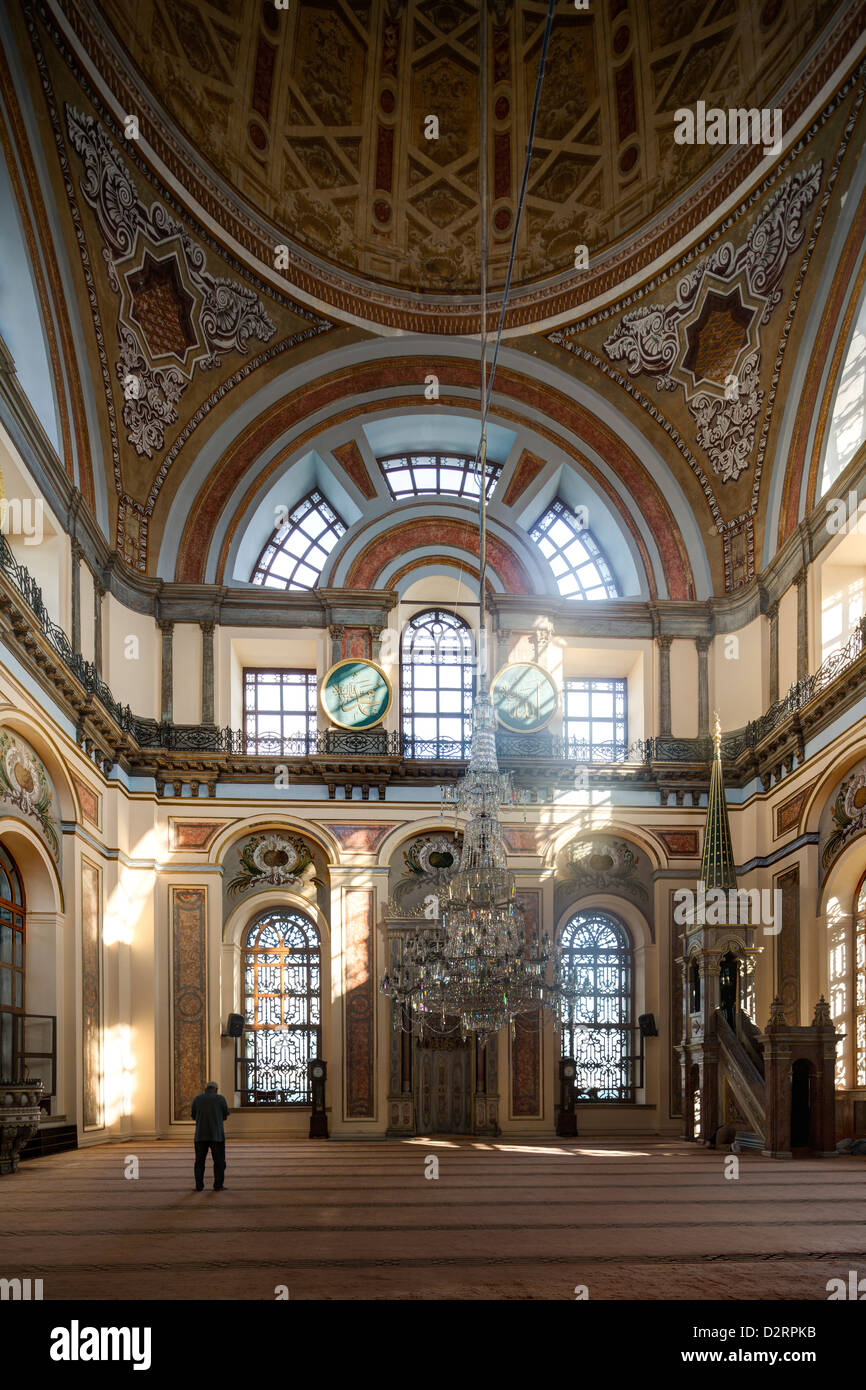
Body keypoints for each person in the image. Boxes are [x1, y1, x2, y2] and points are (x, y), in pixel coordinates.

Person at [191, 1081, 229, 1191]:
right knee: (219, 1161)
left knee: (199, 1162)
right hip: (216, 1136)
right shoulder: (220, 1099)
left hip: (200, 1135)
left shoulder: (197, 1099)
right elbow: (225, 1116)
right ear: (216, 1089)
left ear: (205, 1089)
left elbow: (193, 1116)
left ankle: (199, 1186)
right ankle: (218, 1185)